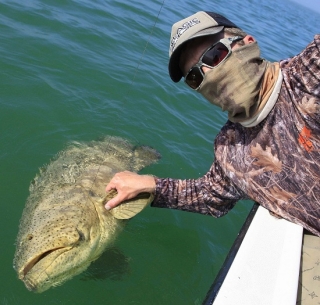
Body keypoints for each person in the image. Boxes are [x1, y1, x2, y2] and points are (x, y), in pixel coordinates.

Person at [105, 11, 320, 236]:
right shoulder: (228, 147)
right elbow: (210, 196)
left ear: (247, 42)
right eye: (195, 76)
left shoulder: (308, 75)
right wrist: (150, 184)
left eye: (214, 56)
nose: (208, 74)